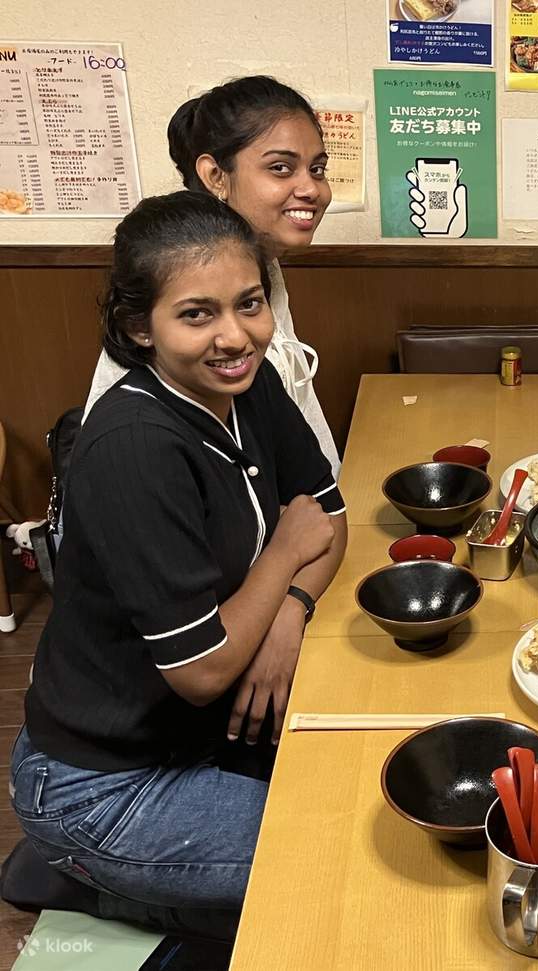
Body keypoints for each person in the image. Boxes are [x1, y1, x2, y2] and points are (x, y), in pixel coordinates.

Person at [11, 190, 348, 940]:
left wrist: (289, 614)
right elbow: (201, 669)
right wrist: (285, 553)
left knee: (365, 792)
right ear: (141, 327)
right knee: (331, 860)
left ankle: (150, 881)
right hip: (102, 786)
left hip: (208, 733)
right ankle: (90, 873)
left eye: (249, 304)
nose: (235, 336)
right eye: (197, 314)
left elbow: (330, 520)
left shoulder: (249, 383)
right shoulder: (134, 447)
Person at [85, 75, 340, 474]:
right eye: (281, 168)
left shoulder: (263, 263)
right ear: (216, 176)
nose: (311, 189)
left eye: (317, 169)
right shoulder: (174, 274)